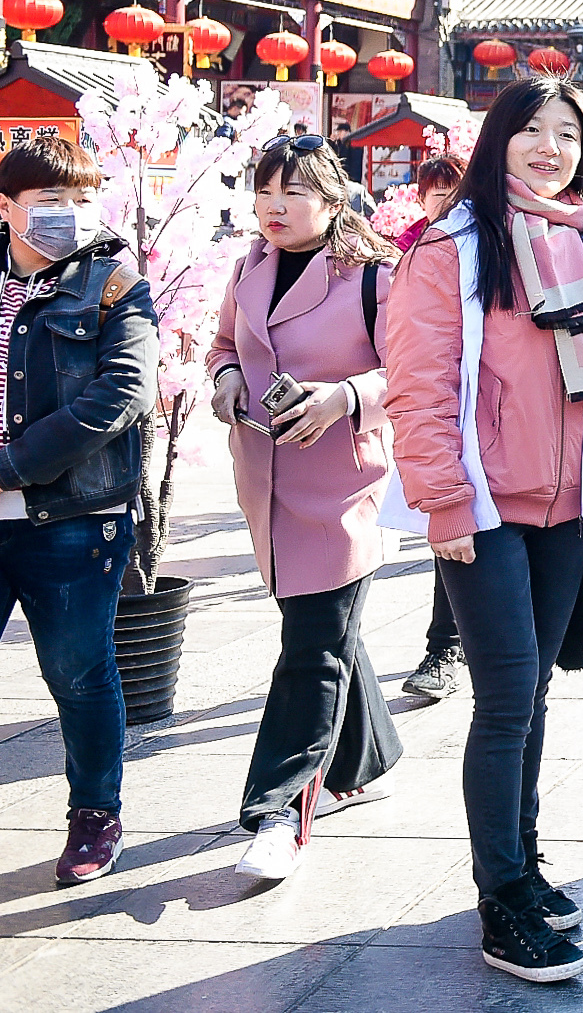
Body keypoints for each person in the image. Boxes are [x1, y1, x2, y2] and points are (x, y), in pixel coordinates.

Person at [386, 76, 583, 984]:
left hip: (569, 508)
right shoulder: (453, 246)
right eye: (531, 129)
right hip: (488, 505)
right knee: (505, 698)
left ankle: (524, 863)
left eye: (568, 133)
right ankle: (500, 898)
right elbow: (419, 384)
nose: (550, 147)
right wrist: (444, 500)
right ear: (497, 139)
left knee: (534, 692)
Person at [207, 133, 405, 882]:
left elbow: (413, 369)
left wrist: (345, 397)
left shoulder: (373, 275)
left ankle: (277, 811)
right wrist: (226, 377)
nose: (274, 206)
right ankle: (369, 755)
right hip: (265, 479)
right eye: (264, 191)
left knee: (312, 648)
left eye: (293, 191)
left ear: (331, 199)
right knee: (325, 628)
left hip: (343, 485)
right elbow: (223, 344)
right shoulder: (247, 267)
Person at [0, 136, 157, 888]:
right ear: (7, 207)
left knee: (77, 671)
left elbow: (123, 391)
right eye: (48, 201)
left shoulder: (113, 283)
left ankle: (96, 813)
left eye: (79, 199)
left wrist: (14, 466)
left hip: (72, 514)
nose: (67, 213)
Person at [397, 152, 467, 702]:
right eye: (435, 193)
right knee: (448, 535)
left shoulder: (486, 242)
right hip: (430, 412)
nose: (444, 202)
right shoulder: (406, 251)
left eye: (453, 191)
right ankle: (444, 649)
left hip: (488, 412)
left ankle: (453, 647)